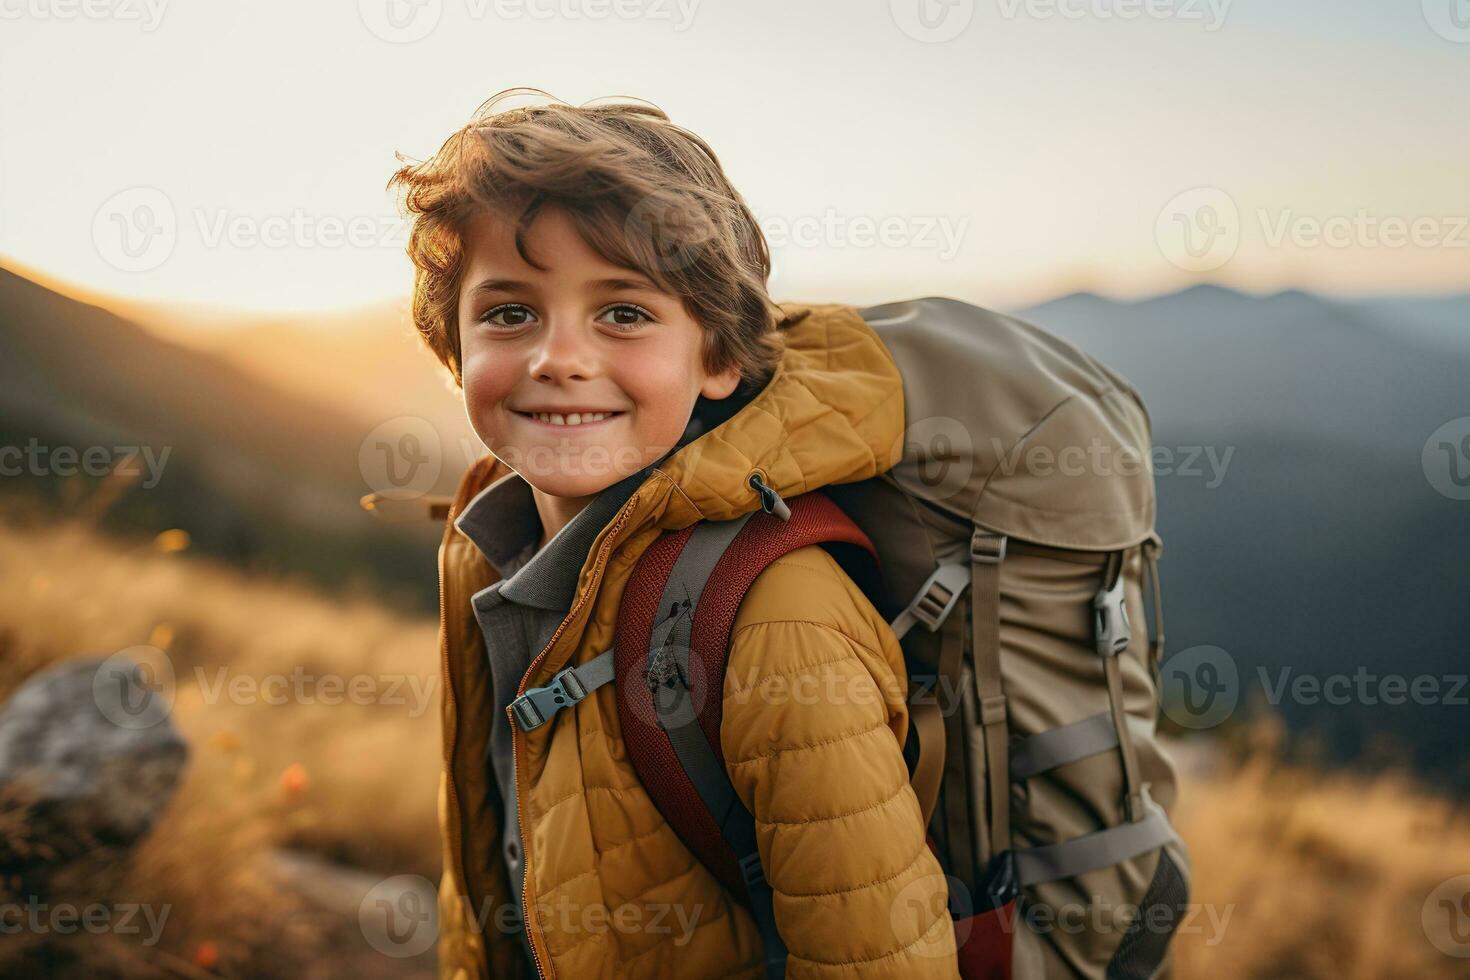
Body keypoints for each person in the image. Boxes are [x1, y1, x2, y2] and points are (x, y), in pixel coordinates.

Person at [389, 87, 959, 979]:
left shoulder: (778, 620)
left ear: (720, 356)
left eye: (624, 312)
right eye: (509, 313)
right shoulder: (480, 548)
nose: (558, 358)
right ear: (452, 347)